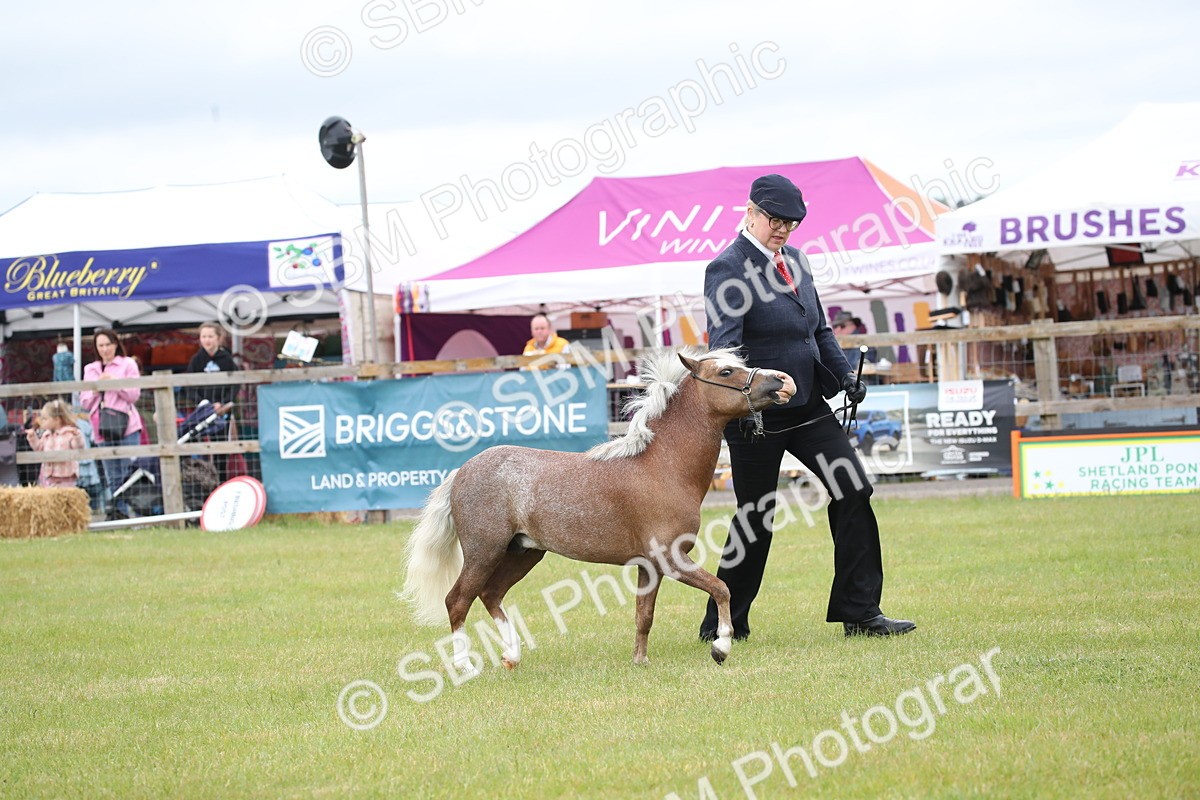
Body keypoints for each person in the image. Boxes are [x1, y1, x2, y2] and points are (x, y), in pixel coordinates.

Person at [699, 174, 915, 640]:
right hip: (758, 415)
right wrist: (761, 389)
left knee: (853, 489)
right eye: (775, 220)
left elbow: (816, 331)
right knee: (756, 516)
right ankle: (725, 621)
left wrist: (845, 378)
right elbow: (724, 351)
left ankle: (860, 613)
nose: (782, 230)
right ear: (750, 212)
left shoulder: (795, 260)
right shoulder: (727, 268)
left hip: (809, 407)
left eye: (791, 223)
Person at [79, 328, 144, 519]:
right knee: (111, 474)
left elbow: (134, 395)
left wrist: (114, 383)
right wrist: (98, 387)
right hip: (101, 427)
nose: (105, 349)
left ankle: (136, 512)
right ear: (96, 347)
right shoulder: (90, 369)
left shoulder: (127, 364)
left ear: (115, 345)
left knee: (129, 471)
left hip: (126, 426)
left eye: (108, 344)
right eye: (101, 345)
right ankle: (118, 511)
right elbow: (84, 401)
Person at [183, 321, 239, 483]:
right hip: (202, 411)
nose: (207, 340)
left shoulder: (227, 359)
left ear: (218, 338)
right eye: (203, 336)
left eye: (210, 336)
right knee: (199, 446)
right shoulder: (196, 360)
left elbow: (235, 385)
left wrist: (223, 403)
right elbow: (189, 386)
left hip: (222, 412)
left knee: (221, 449)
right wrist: (203, 404)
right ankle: (201, 482)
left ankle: (221, 481)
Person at [24, 399, 85, 488]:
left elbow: (78, 446)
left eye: (45, 419)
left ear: (56, 420)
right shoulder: (46, 435)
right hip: (48, 476)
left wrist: (77, 437)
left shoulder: (69, 433)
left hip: (65, 476)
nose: (42, 421)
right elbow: (39, 448)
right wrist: (33, 438)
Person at [831, 311, 878, 382]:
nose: (838, 329)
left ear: (853, 325)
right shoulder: (835, 345)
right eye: (835, 326)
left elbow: (864, 369)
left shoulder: (864, 344)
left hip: (862, 385)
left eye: (842, 326)